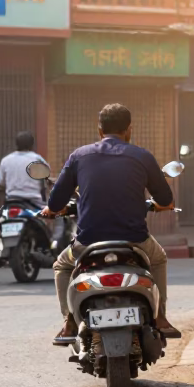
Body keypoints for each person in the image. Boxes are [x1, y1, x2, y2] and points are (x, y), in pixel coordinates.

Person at [43, 105, 180, 345]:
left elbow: (55, 202)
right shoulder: (142, 156)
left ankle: (69, 322)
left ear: (99, 130)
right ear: (129, 130)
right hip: (134, 240)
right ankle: (160, 318)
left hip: (88, 242)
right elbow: (166, 201)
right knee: (158, 259)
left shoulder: (79, 156)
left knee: (62, 267)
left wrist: (51, 211)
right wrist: (160, 205)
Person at [0, 131, 49, 208]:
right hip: (34, 203)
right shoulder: (37, 159)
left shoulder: (6, 160)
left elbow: (1, 183)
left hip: (11, 202)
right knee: (59, 215)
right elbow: (46, 179)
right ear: (32, 145)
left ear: (16, 144)